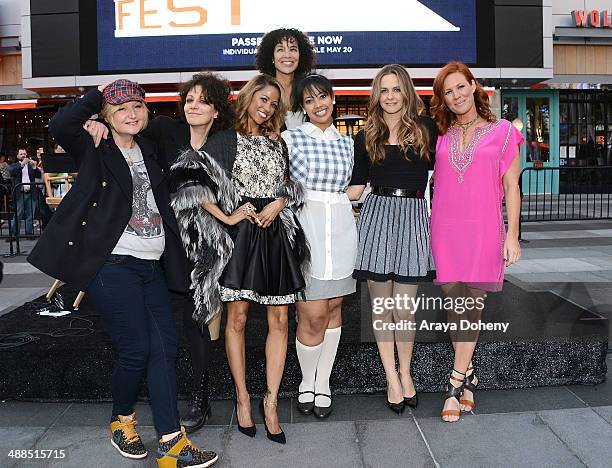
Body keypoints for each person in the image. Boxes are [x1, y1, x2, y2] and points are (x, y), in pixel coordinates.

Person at [27, 79, 218, 467]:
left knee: (164, 349)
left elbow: (195, 137)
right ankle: (122, 419)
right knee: (137, 349)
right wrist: (97, 98)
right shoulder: (95, 146)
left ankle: (171, 441)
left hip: (154, 267)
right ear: (108, 116)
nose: (131, 114)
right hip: (110, 265)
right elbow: (61, 125)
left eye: (137, 107)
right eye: (121, 109)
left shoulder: (153, 149)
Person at [86, 73, 236, 434]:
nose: (194, 106)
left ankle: (200, 400)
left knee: (201, 323)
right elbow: (125, 130)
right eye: (189, 100)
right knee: (160, 332)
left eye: (203, 100)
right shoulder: (165, 132)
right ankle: (149, 414)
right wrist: (96, 121)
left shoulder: (228, 143)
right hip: (167, 241)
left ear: (216, 109)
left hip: (213, 241)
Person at [171, 74, 309, 444]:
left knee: (280, 319)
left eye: (273, 103)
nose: (266, 107)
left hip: (276, 235)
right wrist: (228, 216)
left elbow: (290, 186)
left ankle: (271, 403)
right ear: (248, 97)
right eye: (261, 99)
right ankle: (243, 399)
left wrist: (281, 201)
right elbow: (189, 180)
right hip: (242, 238)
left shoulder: (278, 141)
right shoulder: (224, 139)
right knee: (239, 317)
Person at [430, 62, 522, 422]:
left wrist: (512, 235)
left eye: (460, 87)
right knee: (456, 308)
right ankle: (469, 375)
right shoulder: (440, 133)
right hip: (445, 229)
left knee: (472, 305)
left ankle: (454, 384)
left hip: (484, 228)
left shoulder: (502, 131)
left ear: (473, 86)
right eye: (448, 92)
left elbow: (512, 186)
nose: (456, 96)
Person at [349, 64, 437, 413]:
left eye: (396, 89)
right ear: (376, 95)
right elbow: (357, 185)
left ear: (407, 92)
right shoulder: (365, 135)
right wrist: (315, 197)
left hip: (413, 216)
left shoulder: (426, 129)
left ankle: (407, 371)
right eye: (383, 90)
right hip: (377, 216)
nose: (389, 97)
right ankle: (391, 377)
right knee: (382, 308)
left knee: (405, 309)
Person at [282, 74, 357, 419]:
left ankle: (322, 383)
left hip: (341, 228)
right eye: (309, 100)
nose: (318, 105)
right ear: (302, 107)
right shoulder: (290, 138)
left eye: (322, 97)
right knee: (311, 314)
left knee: (334, 308)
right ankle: (305, 381)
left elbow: (353, 189)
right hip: (306, 229)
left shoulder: (348, 143)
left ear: (333, 98)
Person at [256, 28, 316, 129]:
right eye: (280, 49)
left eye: (293, 49)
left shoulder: (308, 90)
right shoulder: (260, 90)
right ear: (271, 57)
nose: (287, 55)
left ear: (300, 55)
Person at [8, 147, 40, 239]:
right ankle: (14, 234)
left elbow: (38, 175)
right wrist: (22, 165)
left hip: (31, 193)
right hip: (20, 193)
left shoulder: (30, 165)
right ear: (17, 156)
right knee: (18, 214)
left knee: (30, 214)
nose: (23, 156)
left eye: (24, 154)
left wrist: (34, 167)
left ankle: (29, 234)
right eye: (21, 154)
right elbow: (12, 172)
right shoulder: (14, 165)